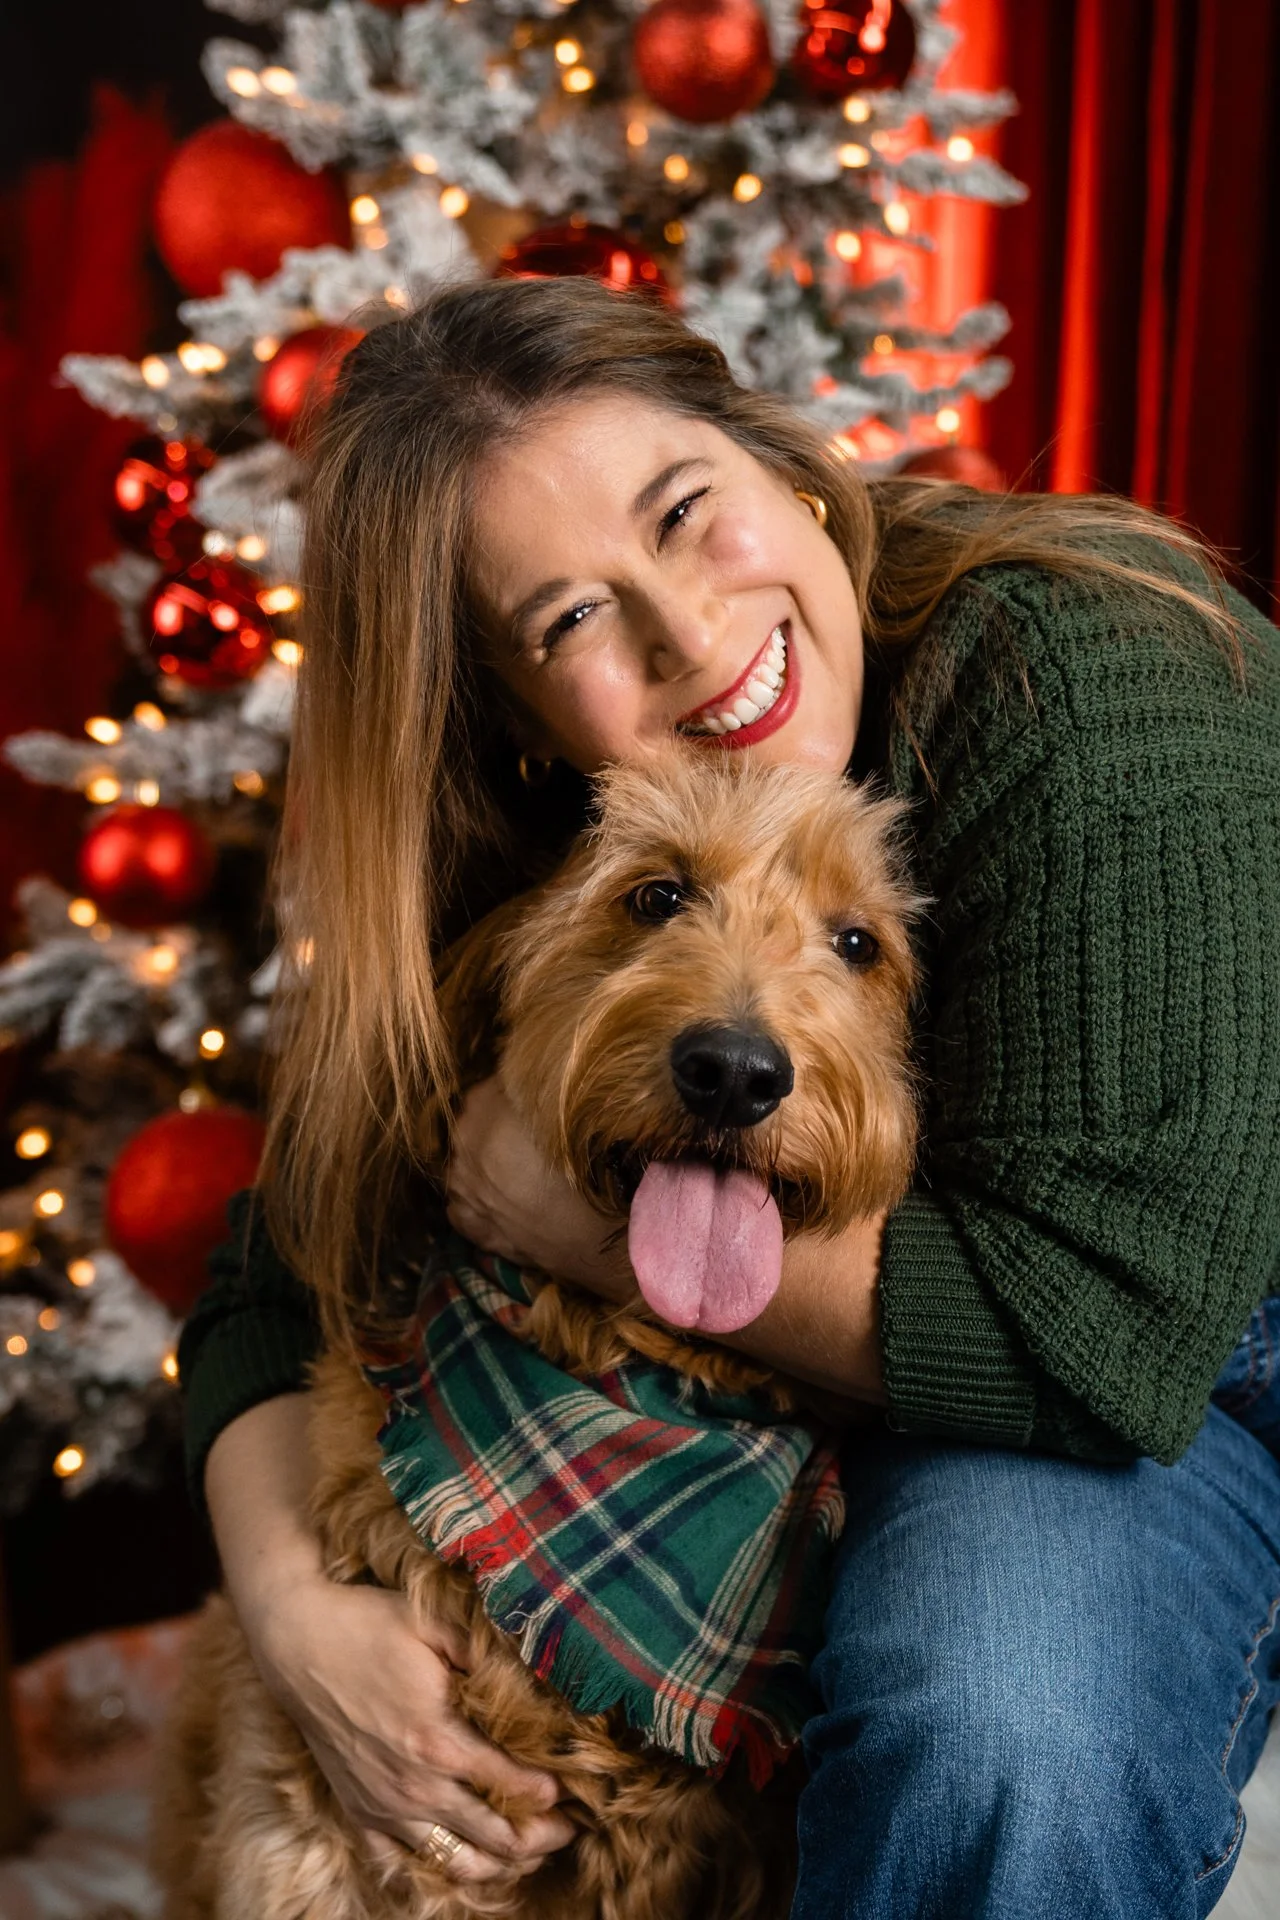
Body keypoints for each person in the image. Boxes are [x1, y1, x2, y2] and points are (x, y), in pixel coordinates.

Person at [180, 276, 1280, 1919]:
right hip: (875, 1342)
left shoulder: (1091, 674)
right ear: (522, 719)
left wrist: (595, 1232)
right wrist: (290, 1606)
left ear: (782, 461)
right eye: (570, 621)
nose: (690, 637)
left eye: (686, 511)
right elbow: (286, 1261)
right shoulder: (538, 831)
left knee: (1002, 1724)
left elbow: (1105, 1346)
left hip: (1181, 1339)